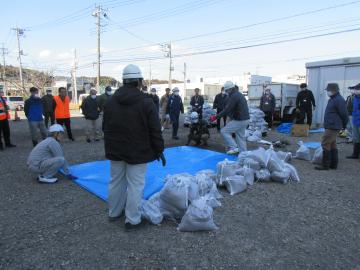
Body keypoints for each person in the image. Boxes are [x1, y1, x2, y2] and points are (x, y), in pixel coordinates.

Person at [103, 64, 165, 230]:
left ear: (124, 81)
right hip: (138, 151)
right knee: (135, 185)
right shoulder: (146, 102)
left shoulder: (110, 101)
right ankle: (132, 219)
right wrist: (159, 149)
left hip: (115, 149)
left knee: (115, 181)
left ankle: (114, 213)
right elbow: (155, 130)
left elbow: (105, 127)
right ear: (139, 81)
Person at [315, 83, 348, 170]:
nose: (327, 92)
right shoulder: (333, 99)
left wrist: (344, 125)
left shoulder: (338, 100)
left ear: (333, 90)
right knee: (332, 144)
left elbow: (344, 114)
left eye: (328, 90)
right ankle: (333, 164)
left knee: (325, 143)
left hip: (333, 126)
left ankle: (325, 165)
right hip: (332, 125)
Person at [216, 81, 250, 155]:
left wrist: (216, 116)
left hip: (240, 119)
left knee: (224, 131)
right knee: (240, 137)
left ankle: (234, 147)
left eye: (227, 90)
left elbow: (227, 109)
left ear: (230, 89)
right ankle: (244, 154)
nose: (226, 92)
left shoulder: (234, 96)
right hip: (245, 119)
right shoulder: (239, 94)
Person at [346, 83, 360, 159]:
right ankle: (355, 154)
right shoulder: (355, 98)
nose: (356, 91)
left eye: (357, 89)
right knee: (356, 138)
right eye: (356, 89)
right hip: (355, 121)